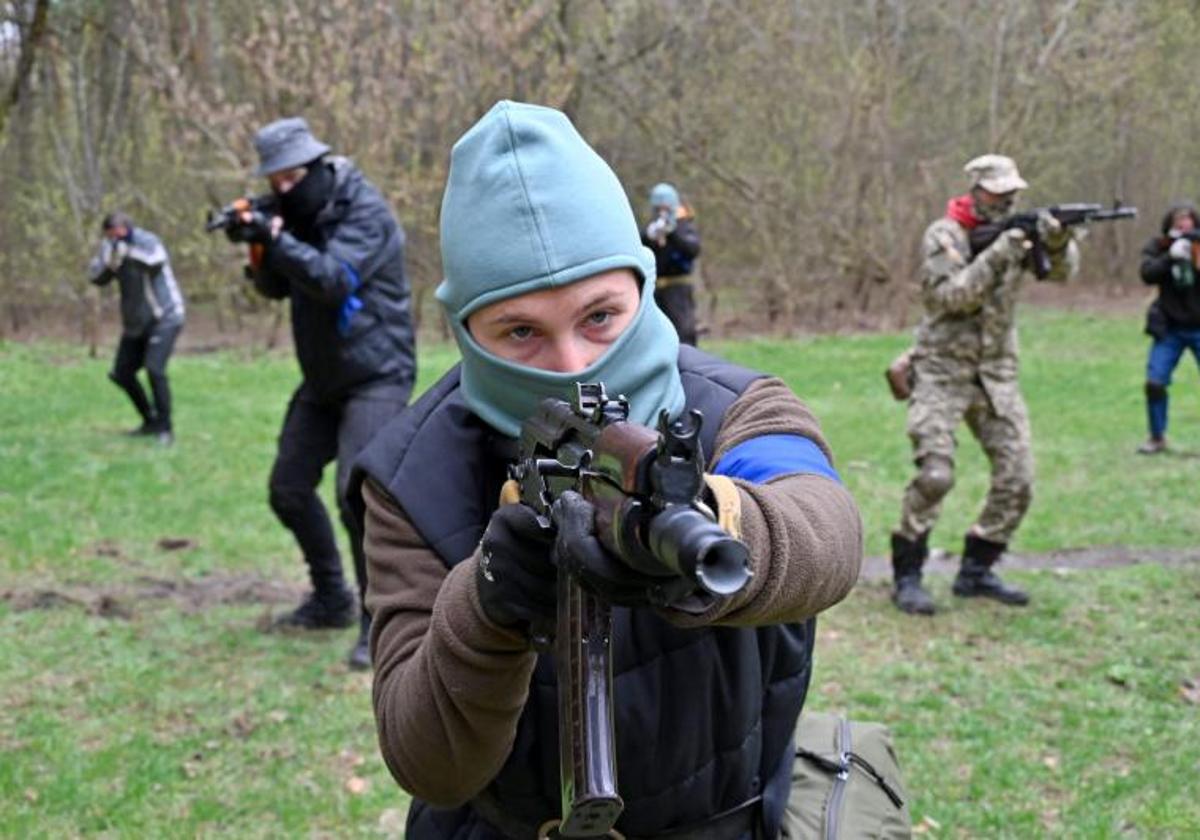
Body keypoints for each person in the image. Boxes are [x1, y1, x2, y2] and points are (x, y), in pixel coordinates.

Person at [353, 101, 863, 839]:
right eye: (521, 331)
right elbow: (431, 766)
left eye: (600, 317)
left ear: (644, 288)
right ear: (465, 329)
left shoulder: (733, 409)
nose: (571, 365)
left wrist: (703, 518)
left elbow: (829, 534)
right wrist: (489, 605)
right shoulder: (413, 475)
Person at [224, 117, 415, 670]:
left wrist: (276, 237)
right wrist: (258, 248)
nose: (282, 189)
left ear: (316, 165)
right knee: (287, 488)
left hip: (378, 373)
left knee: (357, 497)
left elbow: (334, 280)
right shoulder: (299, 215)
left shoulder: (365, 211)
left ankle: (378, 621)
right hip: (324, 379)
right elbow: (275, 287)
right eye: (274, 181)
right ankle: (331, 597)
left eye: (289, 179)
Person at [890, 154, 1078, 615]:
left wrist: (1056, 242)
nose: (1006, 198)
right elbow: (948, 297)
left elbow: (1062, 273)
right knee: (936, 475)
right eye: (996, 191)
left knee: (1018, 479)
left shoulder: (1018, 233)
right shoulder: (945, 235)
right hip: (940, 371)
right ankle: (908, 574)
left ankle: (977, 570)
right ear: (975, 190)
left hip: (996, 374)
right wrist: (999, 253)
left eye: (1011, 191)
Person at [87, 211, 185, 446]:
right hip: (136, 322)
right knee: (121, 372)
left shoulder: (147, 241)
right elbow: (96, 276)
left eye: (117, 233)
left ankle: (166, 428)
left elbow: (155, 261)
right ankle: (149, 420)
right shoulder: (109, 246)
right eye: (110, 235)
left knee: (154, 370)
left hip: (165, 316)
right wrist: (111, 262)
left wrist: (127, 253)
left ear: (126, 228)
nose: (114, 238)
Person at [1136, 203, 1200, 455]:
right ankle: (1157, 437)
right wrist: (1170, 256)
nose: (1183, 226)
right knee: (1155, 382)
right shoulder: (1159, 246)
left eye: (1188, 222)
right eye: (1178, 222)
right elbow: (1147, 274)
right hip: (1170, 329)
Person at [641, 181, 702, 345]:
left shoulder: (684, 226)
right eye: (658, 208)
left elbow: (693, 249)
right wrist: (648, 236)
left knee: (684, 331)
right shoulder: (652, 228)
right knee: (657, 334)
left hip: (678, 288)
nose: (661, 212)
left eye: (665, 208)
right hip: (655, 288)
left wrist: (672, 232)